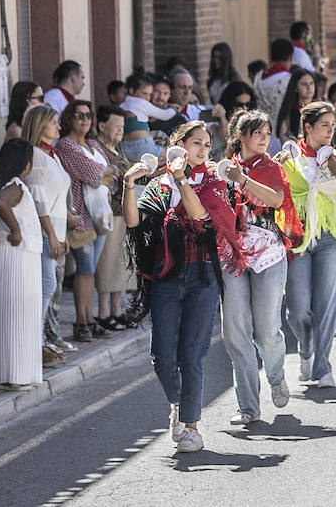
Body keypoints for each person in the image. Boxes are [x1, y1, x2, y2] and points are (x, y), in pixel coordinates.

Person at [123, 121, 240, 454]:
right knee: (161, 356)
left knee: (191, 356)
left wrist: (180, 177)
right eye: (196, 143)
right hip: (166, 274)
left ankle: (190, 425)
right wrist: (129, 185)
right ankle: (178, 402)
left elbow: (200, 216)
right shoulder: (159, 184)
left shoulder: (213, 182)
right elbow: (133, 222)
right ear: (179, 145)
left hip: (202, 275)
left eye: (207, 144)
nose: (203, 150)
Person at [218, 110, 300, 425]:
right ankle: (248, 407)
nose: (265, 138)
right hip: (232, 254)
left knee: (266, 329)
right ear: (240, 136)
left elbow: (278, 201)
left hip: (268, 253)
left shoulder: (272, 168)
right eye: (258, 133)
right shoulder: (223, 167)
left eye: (267, 132)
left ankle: (276, 375)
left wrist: (244, 180)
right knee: (235, 331)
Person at [282, 102, 336, 387]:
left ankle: (322, 367)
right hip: (297, 237)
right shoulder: (289, 157)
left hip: (331, 236)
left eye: (333, 125)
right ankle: (306, 349)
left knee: (327, 303)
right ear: (308, 127)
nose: (331, 131)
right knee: (298, 307)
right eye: (324, 125)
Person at [55, 100, 118, 341]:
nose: (84, 120)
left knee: (91, 270)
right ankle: (81, 322)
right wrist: (101, 176)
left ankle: (90, 319)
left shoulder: (93, 144)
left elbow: (111, 172)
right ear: (69, 118)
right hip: (80, 216)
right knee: (85, 268)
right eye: (78, 115)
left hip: (101, 215)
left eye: (88, 116)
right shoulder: (65, 145)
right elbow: (94, 174)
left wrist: (102, 176)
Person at [0, 138, 44, 390]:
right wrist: (16, 229)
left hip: (17, 255)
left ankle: (14, 373)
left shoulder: (6, 183)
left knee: (14, 314)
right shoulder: (16, 184)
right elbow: (1, 202)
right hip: (17, 255)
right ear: (26, 164)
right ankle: (16, 374)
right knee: (18, 313)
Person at [21, 105, 74, 355]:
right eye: (54, 122)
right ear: (40, 124)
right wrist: (52, 234)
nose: (59, 127)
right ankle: (36, 339)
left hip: (56, 229)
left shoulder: (52, 155)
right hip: (43, 230)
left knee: (49, 286)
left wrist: (62, 233)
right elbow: (39, 199)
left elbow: (58, 197)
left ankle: (40, 337)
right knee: (46, 284)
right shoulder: (36, 154)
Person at [94, 105, 132, 329]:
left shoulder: (119, 149)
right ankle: (104, 312)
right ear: (101, 126)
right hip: (107, 212)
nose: (120, 130)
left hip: (123, 211)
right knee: (106, 264)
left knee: (120, 264)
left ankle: (118, 310)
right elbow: (108, 180)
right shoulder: (97, 149)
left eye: (122, 127)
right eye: (116, 126)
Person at [120, 73, 177, 162]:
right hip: (144, 146)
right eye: (145, 93)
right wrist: (175, 109)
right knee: (173, 156)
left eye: (150, 94)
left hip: (126, 148)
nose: (148, 98)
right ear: (132, 91)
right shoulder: (141, 103)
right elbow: (164, 115)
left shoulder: (122, 106)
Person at [275, 68, 318, 145]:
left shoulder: (321, 108)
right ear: (295, 87)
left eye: (311, 83)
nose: (309, 87)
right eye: (304, 84)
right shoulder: (289, 110)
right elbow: (283, 135)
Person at [255, 39, 295, 122]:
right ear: (290, 57)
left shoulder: (258, 76)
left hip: (260, 127)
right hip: (281, 129)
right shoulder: (289, 79)